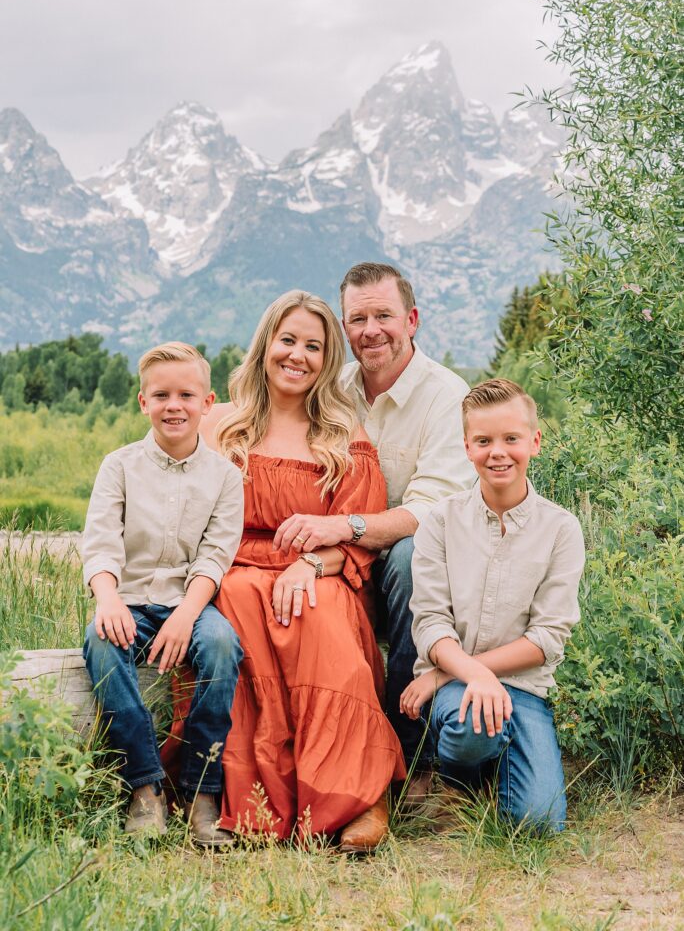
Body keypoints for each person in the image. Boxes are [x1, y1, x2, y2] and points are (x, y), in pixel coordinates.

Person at [201, 290, 405, 850]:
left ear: (327, 359)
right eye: (288, 340)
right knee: (242, 599)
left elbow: (357, 538)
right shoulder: (221, 426)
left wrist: (311, 564)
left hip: (321, 572)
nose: (298, 355)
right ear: (266, 344)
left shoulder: (341, 434)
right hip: (235, 564)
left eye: (314, 346)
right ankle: (257, 803)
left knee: (317, 615)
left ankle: (360, 797)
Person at [273, 262, 475, 793]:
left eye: (383, 315)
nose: (371, 330)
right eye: (358, 319)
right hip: (339, 559)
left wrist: (339, 526)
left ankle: (410, 754)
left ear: (411, 319)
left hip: (410, 570)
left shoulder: (446, 397)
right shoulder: (331, 388)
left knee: (411, 555)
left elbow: (430, 512)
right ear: (344, 328)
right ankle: (298, 759)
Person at [400, 379, 585, 831]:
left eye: (510, 439)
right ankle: (459, 781)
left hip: (522, 690)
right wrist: (465, 677)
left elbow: (546, 639)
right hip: (456, 694)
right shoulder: (441, 522)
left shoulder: (561, 529)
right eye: (483, 441)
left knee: (537, 823)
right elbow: (429, 623)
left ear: (534, 442)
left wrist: (459, 668)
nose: (497, 452)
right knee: (474, 725)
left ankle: (498, 771)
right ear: (467, 447)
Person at [82, 342, 244, 845]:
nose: (174, 405)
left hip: (190, 603)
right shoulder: (119, 466)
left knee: (221, 645)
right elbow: (102, 542)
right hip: (127, 600)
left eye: (186, 395)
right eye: (161, 395)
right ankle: (146, 788)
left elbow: (215, 556)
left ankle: (201, 792)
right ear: (142, 402)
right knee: (101, 643)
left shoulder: (226, 476)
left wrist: (185, 615)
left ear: (208, 402)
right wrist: (107, 599)